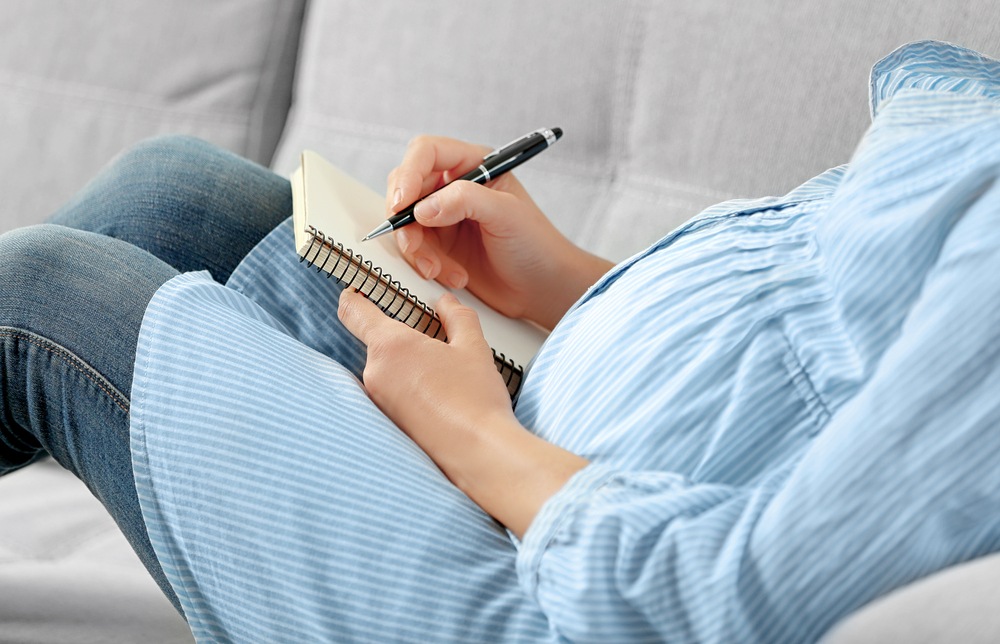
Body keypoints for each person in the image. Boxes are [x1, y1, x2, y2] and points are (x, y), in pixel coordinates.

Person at [1, 40, 999, 643]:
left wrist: (471, 430)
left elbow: (735, 608)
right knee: (176, 195)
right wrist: (573, 284)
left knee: (37, 298)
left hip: (552, 599)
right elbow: (813, 363)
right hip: (547, 469)